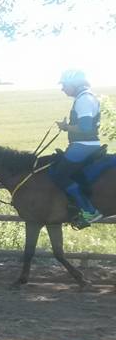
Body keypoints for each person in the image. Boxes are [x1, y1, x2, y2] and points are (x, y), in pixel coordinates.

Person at [50, 69, 104, 229]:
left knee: (59, 175)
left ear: (75, 84)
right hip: (84, 145)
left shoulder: (84, 100)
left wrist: (66, 127)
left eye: (64, 85)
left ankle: (89, 211)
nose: (62, 88)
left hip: (83, 146)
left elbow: (85, 127)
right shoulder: (86, 97)